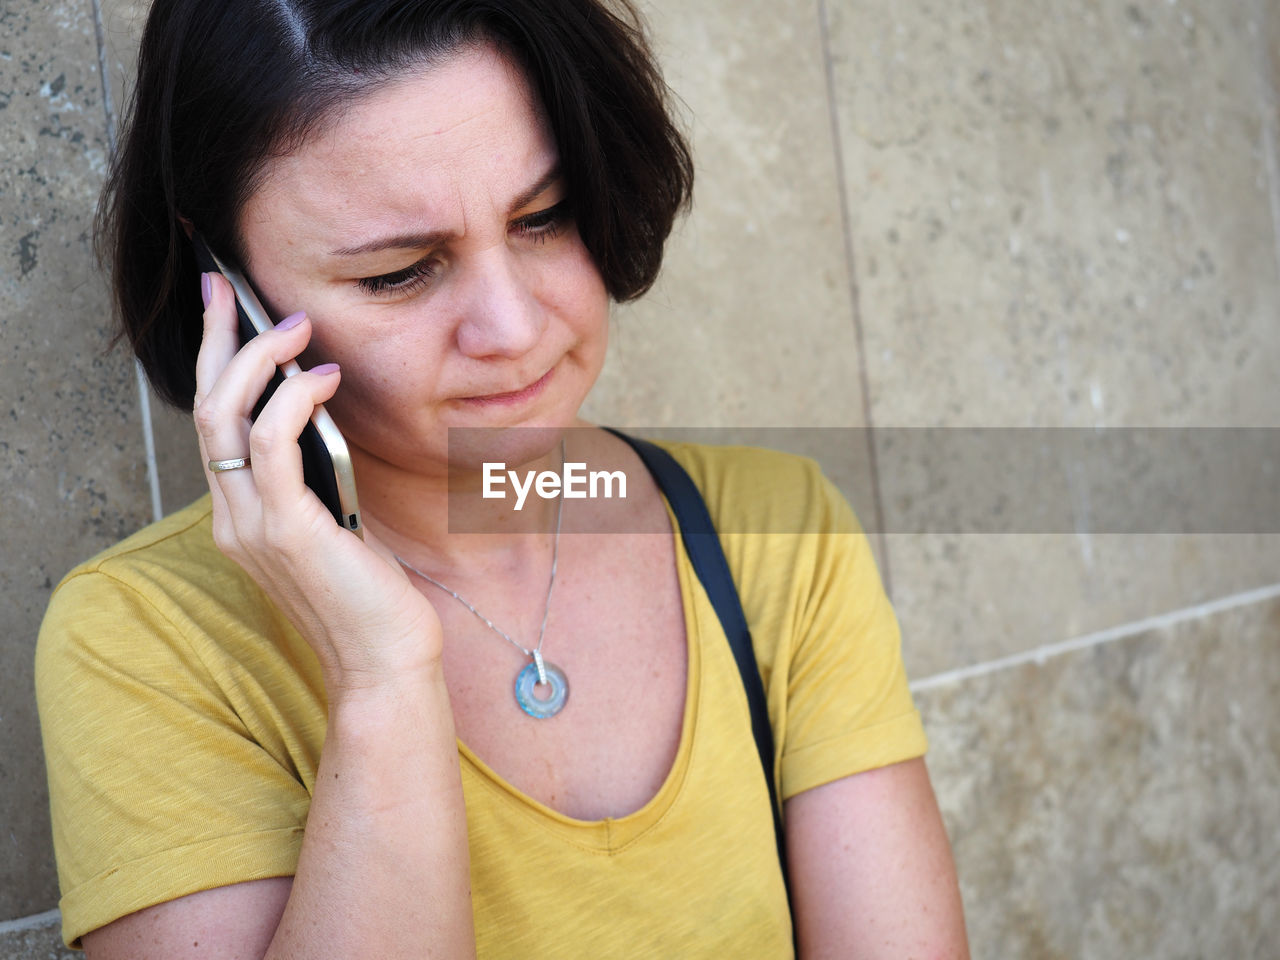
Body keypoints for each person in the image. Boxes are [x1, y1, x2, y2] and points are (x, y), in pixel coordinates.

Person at [36, 0, 969, 956]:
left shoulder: (773, 528)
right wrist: (382, 678)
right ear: (225, 284)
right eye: (400, 272)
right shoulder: (145, 642)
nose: (515, 330)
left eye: (546, 217)